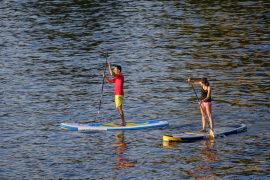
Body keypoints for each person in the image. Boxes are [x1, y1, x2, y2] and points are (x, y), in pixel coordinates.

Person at [103, 61, 125, 126]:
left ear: (119, 70)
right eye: (114, 70)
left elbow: (112, 74)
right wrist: (105, 77)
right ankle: (123, 121)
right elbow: (109, 82)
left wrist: (109, 66)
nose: (114, 71)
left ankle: (123, 122)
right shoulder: (116, 78)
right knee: (118, 108)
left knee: (119, 108)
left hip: (119, 94)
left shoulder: (120, 76)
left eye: (115, 70)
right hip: (116, 94)